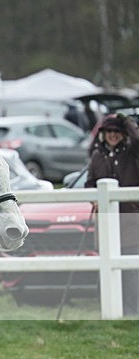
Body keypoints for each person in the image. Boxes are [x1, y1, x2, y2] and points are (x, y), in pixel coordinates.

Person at [86, 114, 139, 316]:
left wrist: (125, 120)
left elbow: (137, 139)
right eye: (109, 131)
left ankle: (132, 309)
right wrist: (93, 197)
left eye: (117, 132)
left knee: (131, 269)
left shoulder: (132, 153)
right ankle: (109, 308)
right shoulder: (97, 156)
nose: (113, 136)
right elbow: (90, 182)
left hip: (131, 219)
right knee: (106, 267)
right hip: (106, 222)